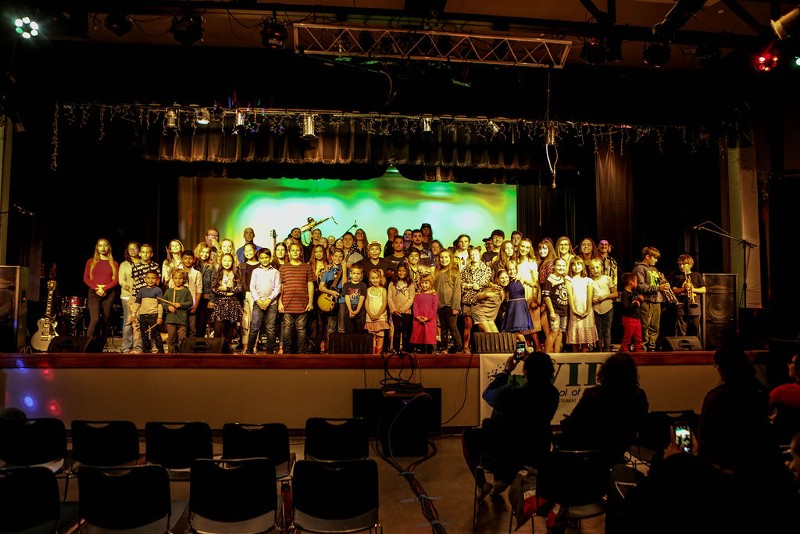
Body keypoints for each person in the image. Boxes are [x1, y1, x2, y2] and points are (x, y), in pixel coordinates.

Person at [462, 351, 559, 500]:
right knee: (500, 429)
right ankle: (503, 480)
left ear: (525, 371)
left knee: (470, 436)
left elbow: (487, 394)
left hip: (510, 453)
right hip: (538, 450)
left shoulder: (515, 393)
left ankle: (483, 484)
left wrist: (506, 370)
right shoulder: (553, 394)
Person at [557, 352, 649, 467]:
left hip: (592, 448)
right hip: (621, 446)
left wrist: (565, 424)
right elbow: (641, 422)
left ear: (605, 372)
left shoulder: (593, 396)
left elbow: (574, 425)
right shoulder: (639, 395)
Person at [278, 243, 315, 353]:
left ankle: (301, 351)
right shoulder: (283, 268)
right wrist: (280, 302)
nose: (295, 252)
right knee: (287, 328)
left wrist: (311, 302)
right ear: (288, 253)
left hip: (302, 304)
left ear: (301, 252)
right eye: (292, 250)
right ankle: (287, 351)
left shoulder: (306, 267)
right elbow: (281, 287)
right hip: (287, 303)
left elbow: (310, 285)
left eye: (297, 250)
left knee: (301, 329)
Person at [632, 246, 670, 352]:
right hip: (646, 301)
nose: (656, 260)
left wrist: (663, 286)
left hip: (656, 301)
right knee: (645, 326)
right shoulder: (639, 268)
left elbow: (657, 284)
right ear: (647, 257)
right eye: (655, 258)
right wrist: (658, 287)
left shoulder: (654, 269)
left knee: (655, 327)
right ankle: (643, 347)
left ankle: (652, 347)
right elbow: (640, 286)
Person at [83, 238, 120, 344]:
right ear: (97, 248)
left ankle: (101, 345)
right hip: (94, 293)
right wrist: (97, 288)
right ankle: (86, 344)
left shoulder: (114, 263)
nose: (103, 248)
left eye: (105, 245)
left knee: (105, 320)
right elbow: (86, 278)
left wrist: (104, 288)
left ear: (109, 247)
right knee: (95, 319)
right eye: (100, 245)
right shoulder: (90, 262)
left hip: (108, 293)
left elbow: (116, 280)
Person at [247, 248, 281, 355]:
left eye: (266, 257)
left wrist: (269, 300)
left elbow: (277, 288)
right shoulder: (256, 271)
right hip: (258, 303)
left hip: (272, 304)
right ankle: (249, 350)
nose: (264, 260)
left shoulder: (275, 272)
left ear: (270, 258)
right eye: (262, 258)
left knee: (270, 329)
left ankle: (269, 351)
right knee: (254, 327)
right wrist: (258, 300)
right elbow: (252, 286)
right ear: (259, 259)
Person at [460, 246, 493, 353]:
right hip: (467, 299)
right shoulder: (465, 269)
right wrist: (470, 285)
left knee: (481, 324)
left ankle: (484, 347)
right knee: (467, 324)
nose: (474, 257)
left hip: (481, 300)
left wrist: (477, 286)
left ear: (480, 255)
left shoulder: (486, 268)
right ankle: (465, 347)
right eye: (472, 255)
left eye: (476, 254)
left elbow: (486, 282)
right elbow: (461, 283)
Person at [210, 252, 244, 351]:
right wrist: (226, 293)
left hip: (233, 304)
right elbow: (214, 288)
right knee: (218, 328)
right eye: (225, 260)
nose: (227, 263)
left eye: (229, 260)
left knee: (230, 328)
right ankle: (215, 348)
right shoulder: (217, 273)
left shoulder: (236, 273)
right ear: (221, 261)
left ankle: (227, 348)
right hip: (220, 304)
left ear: (232, 262)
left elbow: (239, 288)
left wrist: (226, 289)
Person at [130, 243, 159, 353]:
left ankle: (150, 346)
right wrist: (132, 297)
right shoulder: (135, 266)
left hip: (151, 299)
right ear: (139, 253)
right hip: (138, 297)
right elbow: (135, 282)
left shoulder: (155, 266)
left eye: (148, 252)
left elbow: (157, 282)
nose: (145, 254)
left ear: (151, 254)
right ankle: (139, 347)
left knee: (151, 324)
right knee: (138, 324)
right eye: (143, 252)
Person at [566, 256, 597, 352]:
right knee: (575, 337)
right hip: (575, 308)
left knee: (585, 338)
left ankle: (585, 356)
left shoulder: (588, 280)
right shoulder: (569, 279)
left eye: (578, 264)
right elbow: (570, 295)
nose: (576, 267)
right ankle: (575, 357)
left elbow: (589, 296)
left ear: (583, 266)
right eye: (574, 265)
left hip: (586, 310)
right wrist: (574, 310)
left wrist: (587, 311)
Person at [434, 249, 463, 353]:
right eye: (442, 257)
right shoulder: (436, 272)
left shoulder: (454, 271)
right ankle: (444, 348)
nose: (444, 259)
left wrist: (455, 306)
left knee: (453, 327)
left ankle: (459, 347)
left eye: (446, 257)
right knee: (443, 327)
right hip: (440, 305)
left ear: (450, 258)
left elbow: (457, 290)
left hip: (451, 305)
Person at [130, 270, 165, 354]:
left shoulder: (158, 290)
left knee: (155, 333)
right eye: (148, 278)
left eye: (153, 278)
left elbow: (160, 305)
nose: (150, 280)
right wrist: (133, 314)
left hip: (154, 315)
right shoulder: (142, 290)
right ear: (145, 279)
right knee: (144, 334)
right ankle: (146, 350)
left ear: (157, 279)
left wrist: (160, 316)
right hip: (143, 315)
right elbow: (137, 303)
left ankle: (160, 351)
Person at [671, 253, 706, 337]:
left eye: (683, 264)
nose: (681, 266)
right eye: (679, 265)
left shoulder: (697, 275)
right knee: (681, 331)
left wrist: (691, 288)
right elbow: (674, 290)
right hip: (681, 307)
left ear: (690, 264)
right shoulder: (677, 277)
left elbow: (703, 290)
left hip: (694, 307)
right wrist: (683, 288)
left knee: (695, 330)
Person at [769, 352, 800, 444]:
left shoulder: (783, 391)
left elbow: (760, 408)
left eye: (791, 362)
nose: (788, 365)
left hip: (783, 443)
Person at [503, 261, 534, 351]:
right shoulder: (507, 281)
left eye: (513, 269)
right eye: (509, 270)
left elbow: (534, 284)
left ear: (516, 270)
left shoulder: (521, 279)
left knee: (517, 330)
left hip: (519, 307)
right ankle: (521, 350)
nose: (511, 271)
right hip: (511, 307)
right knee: (513, 331)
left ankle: (526, 349)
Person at [590, 257, 618, 352]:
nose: (595, 270)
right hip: (596, 309)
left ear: (601, 267)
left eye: (597, 267)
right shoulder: (589, 281)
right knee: (598, 331)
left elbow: (615, 294)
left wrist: (605, 296)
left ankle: (607, 350)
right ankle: (599, 350)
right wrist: (592, 301)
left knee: (607, 331)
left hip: (608, 308)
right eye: (593, 268)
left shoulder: (607, 279)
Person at [162, 268, 193, 353]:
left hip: (182, 319)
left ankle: (181, 355)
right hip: (171, 319)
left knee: (182, 339)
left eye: (180, 278)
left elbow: (190, 303)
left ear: (184, 279)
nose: (178, 280)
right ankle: (171, 356)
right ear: (172, 279)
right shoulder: (169, 291)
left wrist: (180, 305)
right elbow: (163, 303)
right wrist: (168, 307)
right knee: (171, 338)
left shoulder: (186, 291)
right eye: (175, 278)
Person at [118, 241, 140, 354]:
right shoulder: (124, 264)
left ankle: (137, 346)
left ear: (139, 250)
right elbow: (121, 281)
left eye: (135, 248)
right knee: (128, 322)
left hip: (140, 297)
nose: (132, 250)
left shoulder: (142, 263)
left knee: (138, 322)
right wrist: (131, 288)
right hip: (127, 296)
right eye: (130, 248)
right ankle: (127, 346)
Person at [387, 263, 415, 353]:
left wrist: (402, 309)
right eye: (399, 270)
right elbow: (389, 297)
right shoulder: (392, 283)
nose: (401, 272)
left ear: (407, 272)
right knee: (396, 333)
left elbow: (411, 299)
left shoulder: (410, 284)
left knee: (406, 332)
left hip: (406, 312)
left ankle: (405, 349)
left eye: (403, 270)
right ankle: (396, 349)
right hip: (395, 312)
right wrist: (394, 309)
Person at [543, 258, 569, 353]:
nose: (561, 267)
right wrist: (552, 312)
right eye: (558, 265)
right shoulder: (550, 279)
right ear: (554, 266)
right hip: (555, 310)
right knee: (553, 332)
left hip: (564, 310)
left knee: (560, 332)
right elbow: (547, 296)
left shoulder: (564, 278)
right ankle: (547, 354)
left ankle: (557, 355)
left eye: (563, 266)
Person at [319, 247, 346, 339]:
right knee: (331, 327)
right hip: (330, 301)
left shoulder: (346, 270)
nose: (338, 258)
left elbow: (345, 285)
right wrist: (331, 292)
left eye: (340, 257)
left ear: (343, 258)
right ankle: (331, 350)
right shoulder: (328, 271)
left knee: (342, 327)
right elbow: (321, 287)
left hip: (342, 301)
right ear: (332, 257)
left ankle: (341, 349)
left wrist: (345, 269)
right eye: (336, 256)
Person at [238, 243, 260, 353]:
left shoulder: (261, 265)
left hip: (258, 295)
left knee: (255, 322)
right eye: (245, 251)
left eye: (250, 250)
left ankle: (254, 344)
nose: (248, 253)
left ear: (255, 251)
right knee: (245, 322)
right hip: (246, 295)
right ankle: (245, 345)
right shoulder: (242, 266)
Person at [178, 249, 202, 338]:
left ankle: (190, 349)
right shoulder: (176, 271)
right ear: (181, 259)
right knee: (181, 329)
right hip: (179, 304)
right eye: (185, 258)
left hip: (191, 304)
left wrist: (195, 306)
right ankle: (180, 349)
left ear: (194, 260)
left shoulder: (197, 273)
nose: (188, 261)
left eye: (190, 258)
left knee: (192, 329)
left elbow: (199, 290)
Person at [365, 268, 390, 354]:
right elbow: (366, 303)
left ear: (380, 279)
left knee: (380, 335)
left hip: (381, 317)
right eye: (373, 278)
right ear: (369, 279)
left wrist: (378, 315)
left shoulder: (383, 290)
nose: (375, 280)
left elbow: (384, 303)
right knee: (372, 335)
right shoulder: (368, 290)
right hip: (370, 317)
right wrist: (370, 314)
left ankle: (379, 353)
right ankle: (372, 354)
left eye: (376, 278)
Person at [410, 274, 437, 353]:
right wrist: (417, 316)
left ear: (430, 283)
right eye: (422, 283)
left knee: (428, 340)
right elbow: (415, 307)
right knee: (419, 339)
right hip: (418, 320)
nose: (424, 285)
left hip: (429, 321)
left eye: (426, 283)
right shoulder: (418, 295)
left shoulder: (434, 295)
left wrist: (428, 318)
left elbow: (434, 308)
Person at [194, 243, 215, 338]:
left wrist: (212, 300)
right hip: (194, 297)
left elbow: (213, 284)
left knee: (203, 321)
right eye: (203, 251)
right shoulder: (194, 265)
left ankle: (201, 341)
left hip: (206, 298)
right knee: (195, 322)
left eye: (207, 252)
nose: (205, 254)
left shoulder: (211, 267)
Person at [619, 272, 644, 352]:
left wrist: (640, 300)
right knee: (627, 337)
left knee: (638, 338)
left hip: (637, 319)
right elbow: (626, 307)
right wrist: (636, 304)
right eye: (636, 281)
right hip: (629, 319)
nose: (637, 283)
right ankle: (624, 351)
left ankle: (638, 352)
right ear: (631, 282)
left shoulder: (634, 292)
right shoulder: (625, 294)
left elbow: (638, 303)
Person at [342, 264, 367, 334]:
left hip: (360, 313)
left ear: (361, 275)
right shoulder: (346, 285)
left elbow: (362, 299)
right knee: (349, 332)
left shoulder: (363, 285)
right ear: (350, 274)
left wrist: (356, 311)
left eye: (358, 273)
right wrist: (351, 310)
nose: (356, 275)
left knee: (359, 332)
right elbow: (346, 298)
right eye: (354, 273)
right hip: (348, 312)